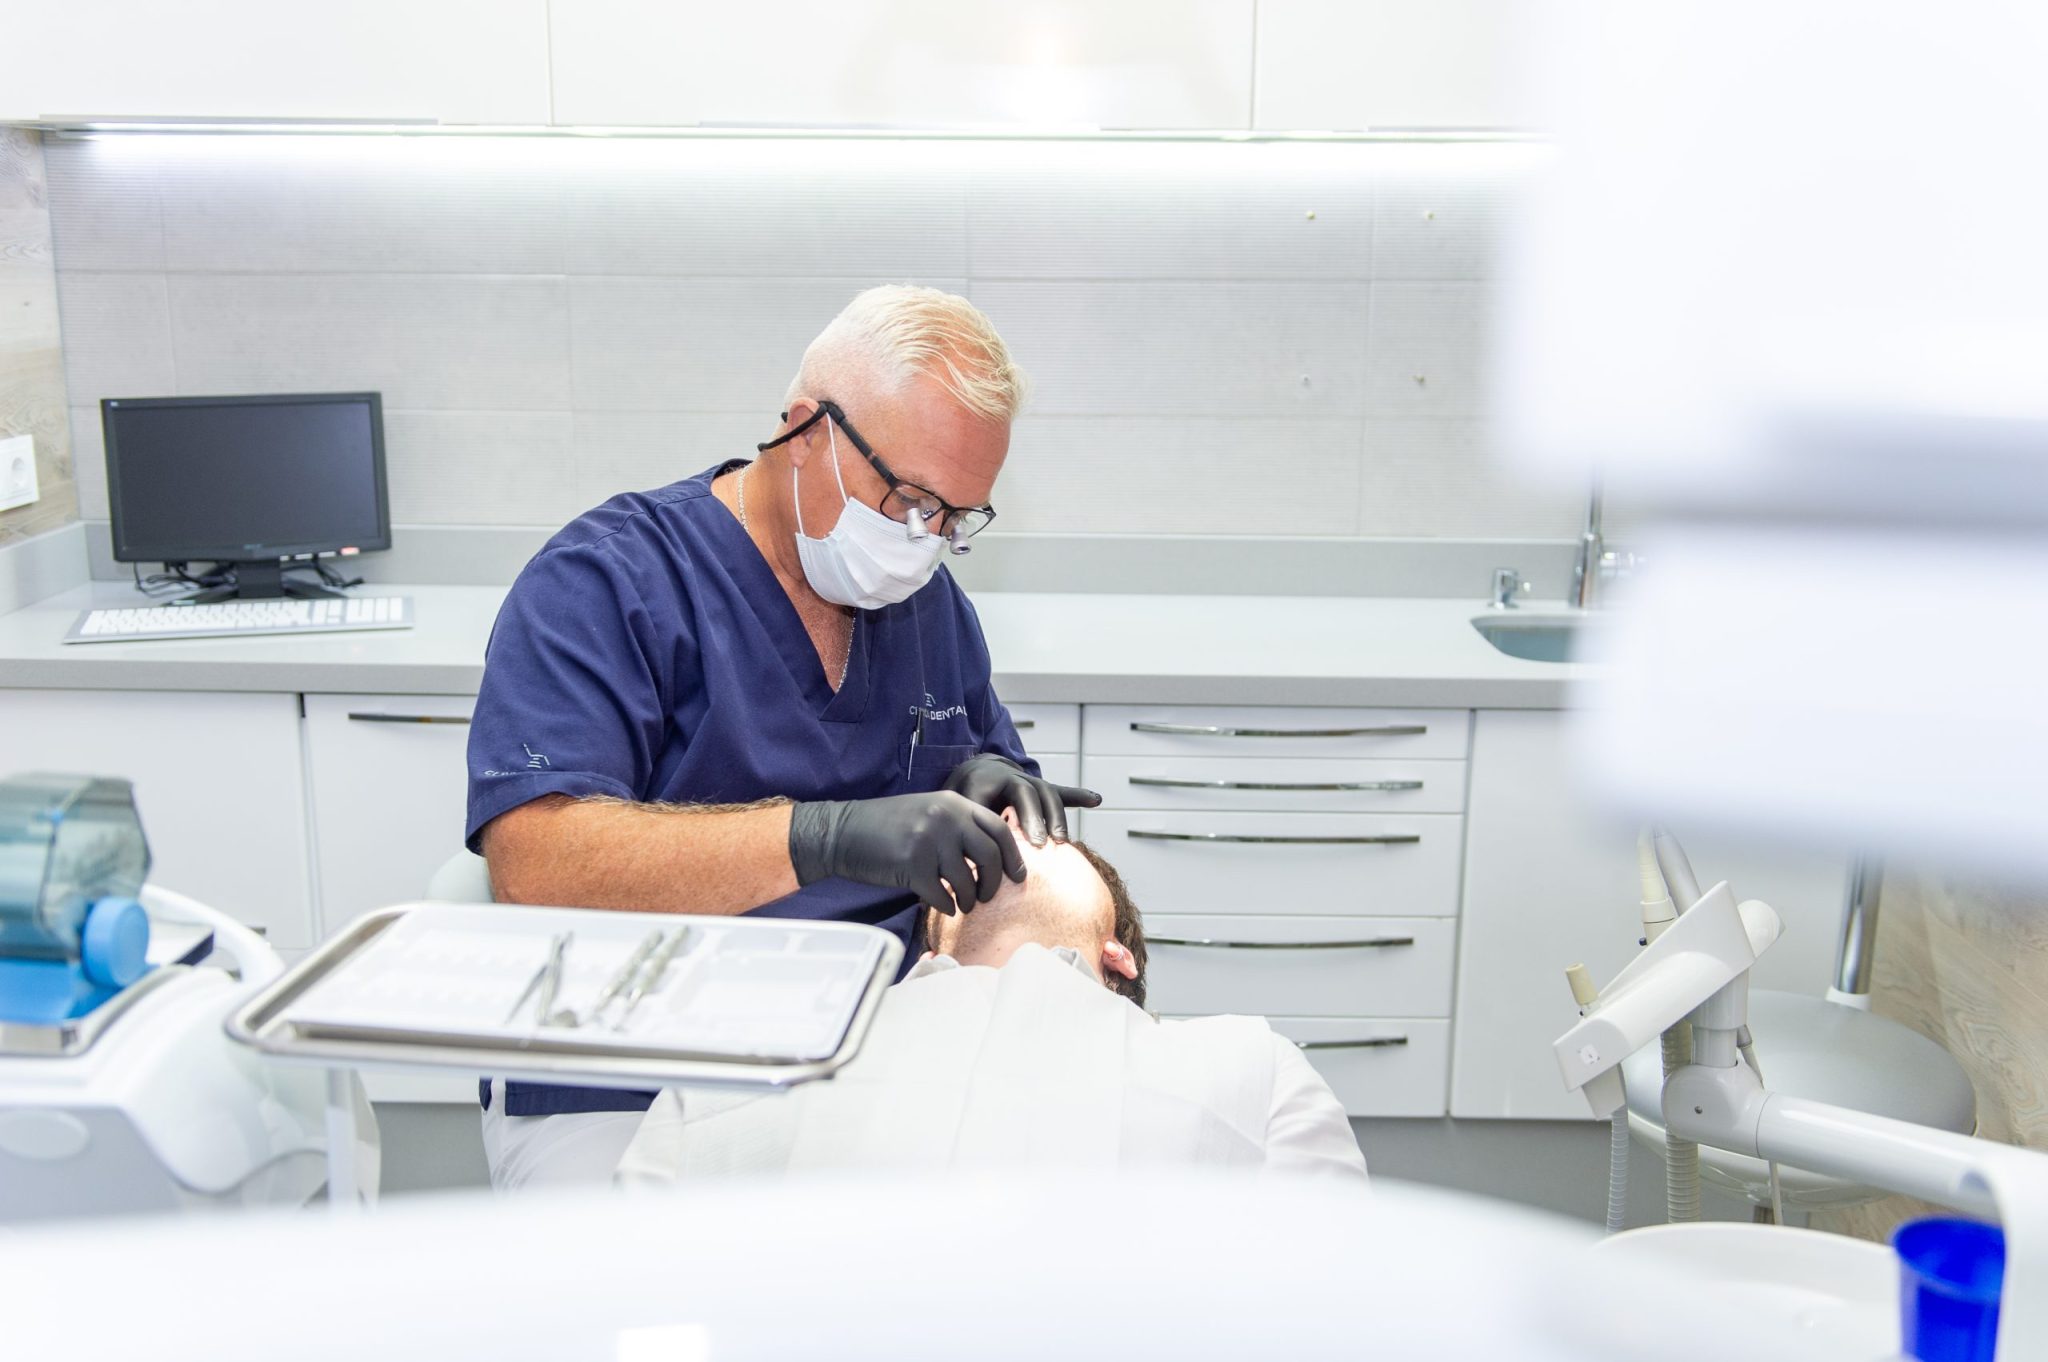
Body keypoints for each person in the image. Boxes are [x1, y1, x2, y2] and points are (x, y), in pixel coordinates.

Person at [466, 286, 1099, 1189]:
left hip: (879, 1051)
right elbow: (538, 865)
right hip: (631, 1068)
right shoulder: (607, 583)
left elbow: (1005, 837)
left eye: (957, 519)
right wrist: (822, 837)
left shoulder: (925, 607)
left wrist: (993, 788)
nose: (925, 542)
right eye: (911, 500)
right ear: (807, 431)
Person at [617, 819, 1369, 1184]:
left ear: (1118, 957)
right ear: (927, 947)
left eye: (1051, 841)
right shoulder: (749, 1062)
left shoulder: (1247, 1064)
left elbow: (1331, 1296)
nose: (1007, 827)